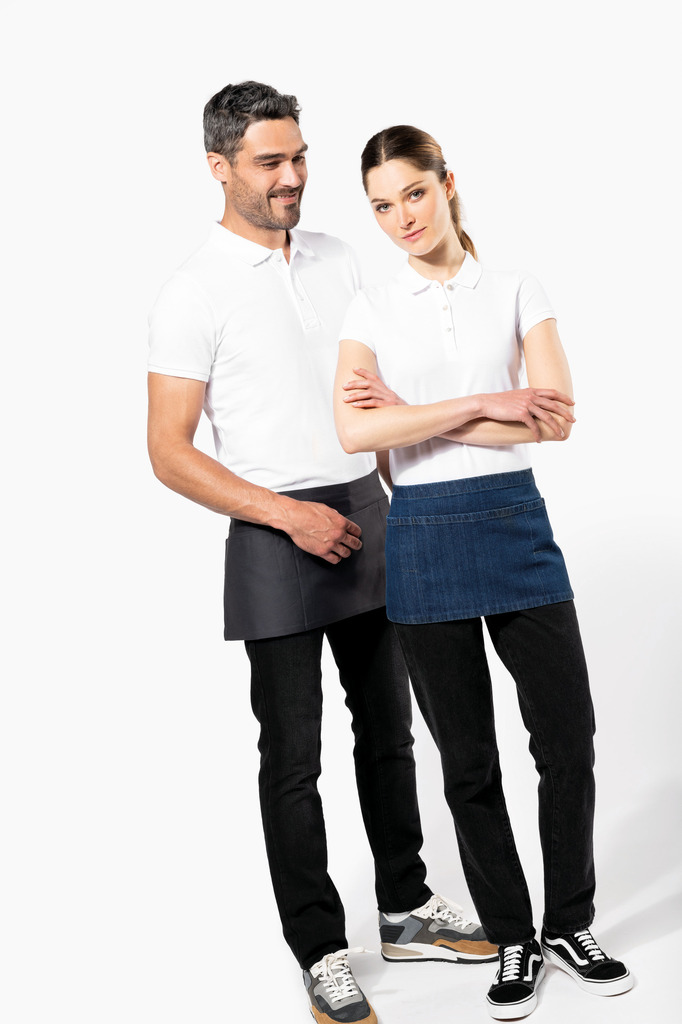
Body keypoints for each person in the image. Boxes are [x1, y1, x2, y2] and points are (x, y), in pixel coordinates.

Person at [147, 85, 497, 1024]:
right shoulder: (191, 291)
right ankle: (319, 949)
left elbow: (373, 394)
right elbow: (168, 451)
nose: (293, 176)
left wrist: (413, 496)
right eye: (270, 161)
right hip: (274, 534)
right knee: (292, 759)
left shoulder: (341, 257)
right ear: (219, 167)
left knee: (390, 732)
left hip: (371, 518)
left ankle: (406, 908)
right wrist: (287, 517)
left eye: (299, 156)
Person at [333, 124, 632, 1020]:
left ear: (448, 183)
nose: (402, 218)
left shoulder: (515, 289)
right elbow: (355, 431)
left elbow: (555, 419)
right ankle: (513, 936)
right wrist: (483, 402)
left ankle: (569, 922)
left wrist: (417, 413)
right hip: (421, 538)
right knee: (467, 761)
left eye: (413, 193)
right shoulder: (369, 309)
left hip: (515, 525)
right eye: (381, 206)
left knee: (567, 740)